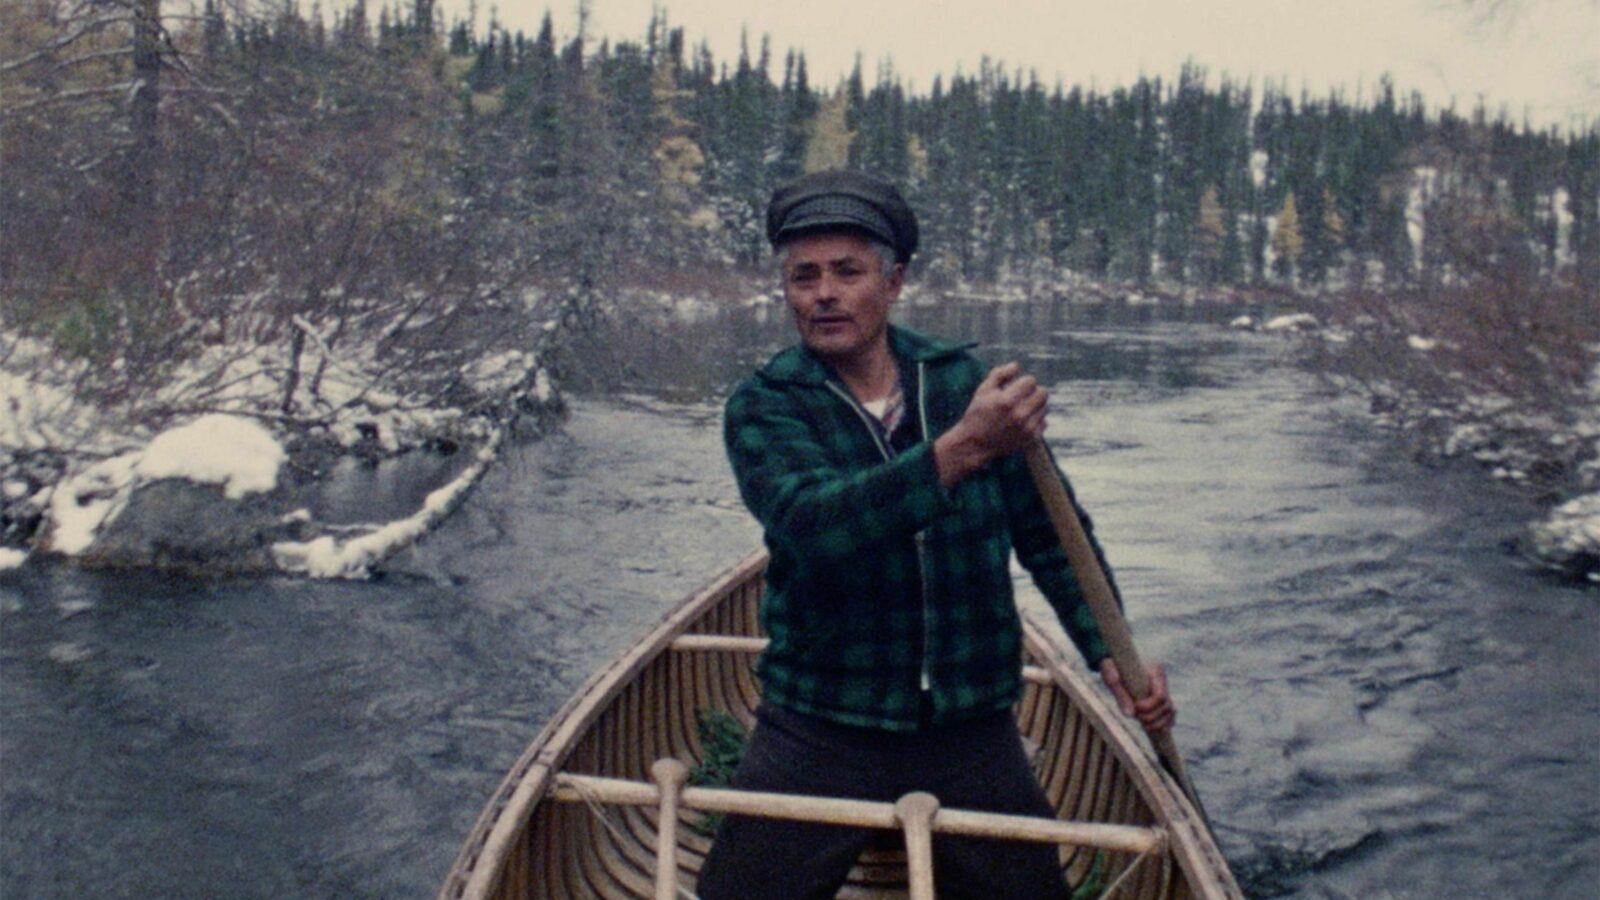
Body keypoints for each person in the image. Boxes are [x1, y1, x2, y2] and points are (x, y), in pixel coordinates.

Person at [697, 170, 1174, 900]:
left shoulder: (963, 384)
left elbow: (1052, 536)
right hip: (823, 714)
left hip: (970, 718)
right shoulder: (766, 405)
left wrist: (1112, 653)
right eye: (804, 277)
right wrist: (963, 450)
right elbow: (813, 526)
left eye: (847, 272)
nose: (823, 293)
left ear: (893, 282)